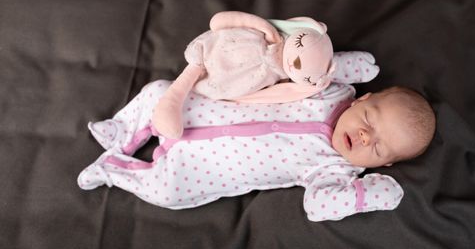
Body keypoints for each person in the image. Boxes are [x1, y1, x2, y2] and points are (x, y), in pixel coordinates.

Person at [78, 60, 435, 222]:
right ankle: (121, 130)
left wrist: (365, 195)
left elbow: (318, 207)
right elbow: (312, 66)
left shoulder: (338, 171)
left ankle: (113, 169)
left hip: (202, 169)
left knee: (168, 194)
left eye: (376, 147)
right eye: (369, 120)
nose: (363, 136)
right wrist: (348, 66)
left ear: (383, 165)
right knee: (158, 91)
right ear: (361, 99)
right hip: (199, 111)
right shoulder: (333, 93)